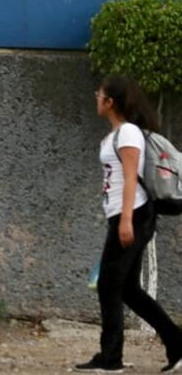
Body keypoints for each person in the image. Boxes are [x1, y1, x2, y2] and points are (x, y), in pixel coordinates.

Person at [75, 76, 182, 373]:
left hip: (133, 215)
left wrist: (124, 221)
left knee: (109, 285)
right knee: (128, 289)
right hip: (123, 215)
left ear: (110, 102)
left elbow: (132, 177)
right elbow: (119, 177)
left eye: (100, 94)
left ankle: (111, 359)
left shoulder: (129, 133)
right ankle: (177, 343)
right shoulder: (114, 136)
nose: (96, 97)